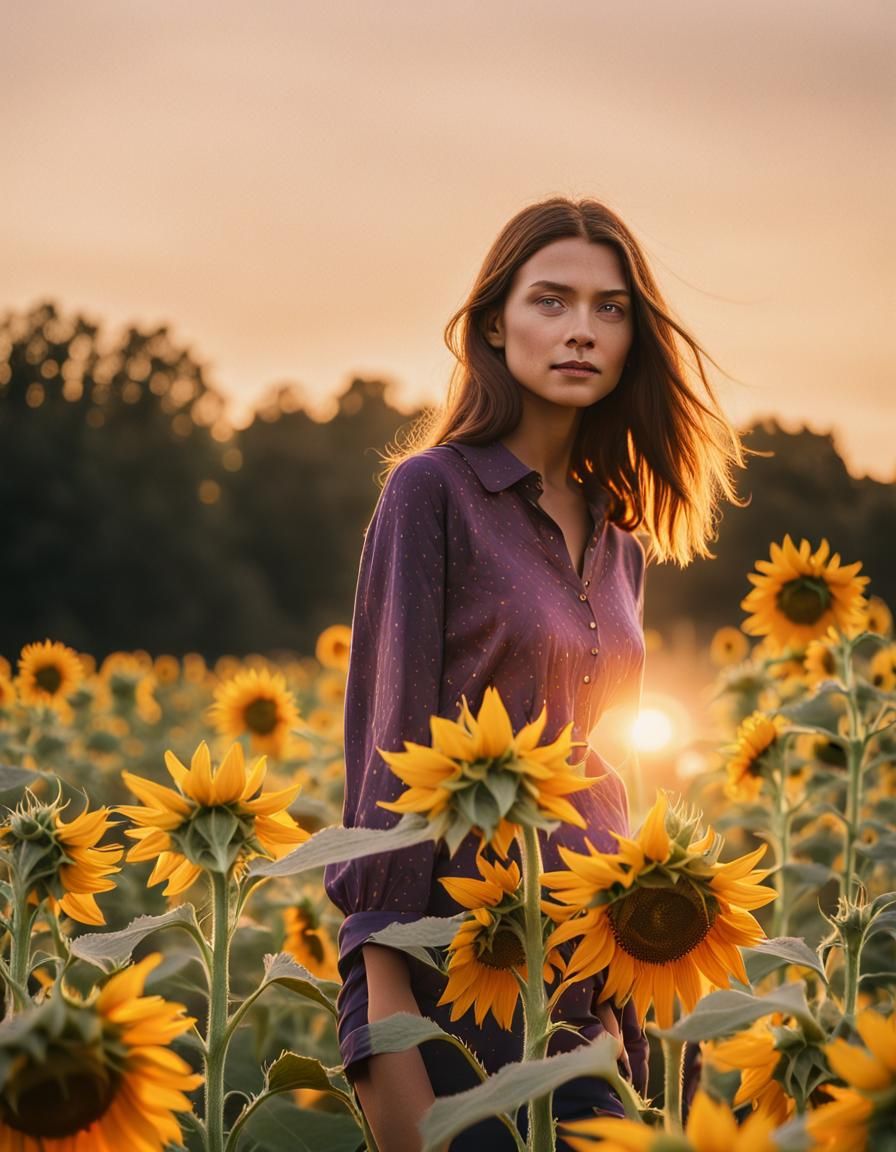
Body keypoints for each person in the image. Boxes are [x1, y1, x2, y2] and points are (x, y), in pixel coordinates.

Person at [323, 196, 749, 1151]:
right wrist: (380, 994)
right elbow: (387, 748)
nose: (581, 332)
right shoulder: (432, 494)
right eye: (551, 301)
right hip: (449, 970)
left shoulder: (620, 539)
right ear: (491, 324)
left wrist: (627, 986)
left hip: (586, 985)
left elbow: (602, 773)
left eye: (609, 309)